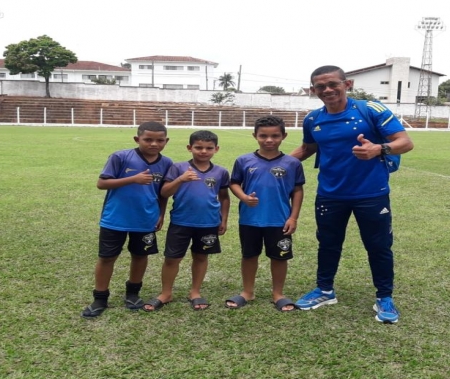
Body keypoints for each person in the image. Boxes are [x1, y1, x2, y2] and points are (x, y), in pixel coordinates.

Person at [289, 65, 414, 323]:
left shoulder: (370, 109)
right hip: (330, 194)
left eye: (333, 84)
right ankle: (325, 290)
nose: (327, 90)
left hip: (371, 193)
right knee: (328, 244)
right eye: (320, 87)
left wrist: (379, 149)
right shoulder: (313, 119)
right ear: (313, 90)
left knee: (378, 246)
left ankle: (384, 297)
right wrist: (275, 165)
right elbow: (307, 148)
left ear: (348, 84)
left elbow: (405, 142)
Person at [82, 121, 173, 318]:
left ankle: (133, 293)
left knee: (140, 256)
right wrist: (133, 179)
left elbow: (163, 194)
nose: (154, 144)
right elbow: (102, 183)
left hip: (145, 219)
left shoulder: (167, 163)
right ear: (137, 139)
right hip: (115, 218)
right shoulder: (121, 157)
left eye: (159, 140)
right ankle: (100, 297)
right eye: (148, 139)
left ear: (166, 141)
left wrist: (160, 214)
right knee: (107, 257)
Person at [143, 130, 231, 312]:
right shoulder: (178, 168)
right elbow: (165, 192)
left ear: (216, 149)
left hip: (208, 223)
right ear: (190, 148)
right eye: (198, 147)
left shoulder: (221, 171)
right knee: (172, 258)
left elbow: (224, 197)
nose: (203, 151)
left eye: (209, 148)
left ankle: (195, 292)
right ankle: (166, 293)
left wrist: (224, 219)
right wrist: (181, 179)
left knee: (200, 256)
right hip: (181, 221)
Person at [225, 116, 305, 312]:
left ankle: (278, 294)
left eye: (275, 136)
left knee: (279, 257)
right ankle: (247, 292)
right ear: (255, 136)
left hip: (279, 220)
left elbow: (297, 190)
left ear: (283, 136)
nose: (269, 140)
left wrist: (293, 217)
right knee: (249, 255)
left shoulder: (292, 163)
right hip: (250, 219)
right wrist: (244, 197)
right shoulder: (244, 160)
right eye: (263, 136)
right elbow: (234, 182)